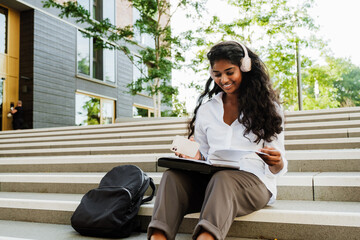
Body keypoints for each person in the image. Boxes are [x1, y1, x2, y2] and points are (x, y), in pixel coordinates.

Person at [148, 41, 288, 240]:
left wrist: (277, 162)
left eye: (230, 72)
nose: (223, 79)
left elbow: (277, 167)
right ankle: (158, 237)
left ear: (245, 68)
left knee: (223, 179)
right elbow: (203, 155)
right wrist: (194, 155)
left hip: (253, 183)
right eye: (217, 74)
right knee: (172, 177)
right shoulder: (207, 109)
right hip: (212, 180)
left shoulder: (269, 108)